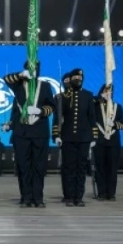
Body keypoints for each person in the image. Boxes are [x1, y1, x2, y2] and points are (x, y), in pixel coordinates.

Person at [4, 61, 56, 207]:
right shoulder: (18, 85)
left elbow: (51, 106)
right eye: (31, 69)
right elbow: (6, 78)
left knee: (39, 167)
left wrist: (40, 110)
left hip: (40, 132)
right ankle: (26, 197)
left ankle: (38, 198)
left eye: (37, 69)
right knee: (24, 167)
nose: (35, 71)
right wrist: (22, 75)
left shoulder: (45, 86)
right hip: (22, 133)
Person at [53, 68, 98, 206]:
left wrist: (94, 137)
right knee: (69, 168)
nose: (78, 80)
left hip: (84, 138)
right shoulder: (62, 97)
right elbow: (57, 118)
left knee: (81, 168)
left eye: (80, 78)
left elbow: (92, 117)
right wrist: (56, 134)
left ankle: (79, 197)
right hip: (68, 138)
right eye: (75, 78)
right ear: (70, 80)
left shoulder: (88, 95)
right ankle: (69, 196)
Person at [93, 84, 123, 201]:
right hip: (99, 142)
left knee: (112, 169)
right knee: (100, 168)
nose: (108, 93)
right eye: (105, 91)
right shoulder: (96, 106)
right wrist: (98, 98)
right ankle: (101, 192)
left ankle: (111, 193)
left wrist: (115, 124)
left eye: (110, 91)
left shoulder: (118, 107)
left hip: (113, 142)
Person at [53, 72, 71, 202]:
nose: (68, 83)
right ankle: (67, 193)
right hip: (64, 135)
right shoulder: (59, 97)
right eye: (65, 81)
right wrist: (56, 134)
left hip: (78, 137)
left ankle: (76, 194)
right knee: (65, 167)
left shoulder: (84, 96)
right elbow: (56, 119)